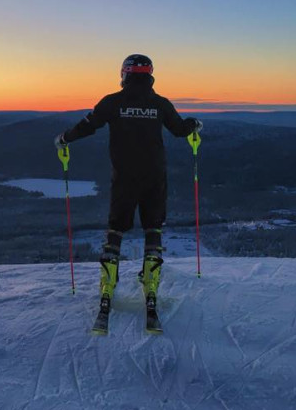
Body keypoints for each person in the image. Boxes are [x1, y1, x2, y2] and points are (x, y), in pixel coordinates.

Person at [54, 54, 202, 324]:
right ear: (150, 75)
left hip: (124, 178)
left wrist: (64, 138)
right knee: (152, 229)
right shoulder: (159, 104)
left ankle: (108, 287)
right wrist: (194, 124)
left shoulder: (113, 102)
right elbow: (180, 130)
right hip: (155, 177)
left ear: (124, 74)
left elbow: (89, 126)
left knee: (116, 230)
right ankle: (151, 285)